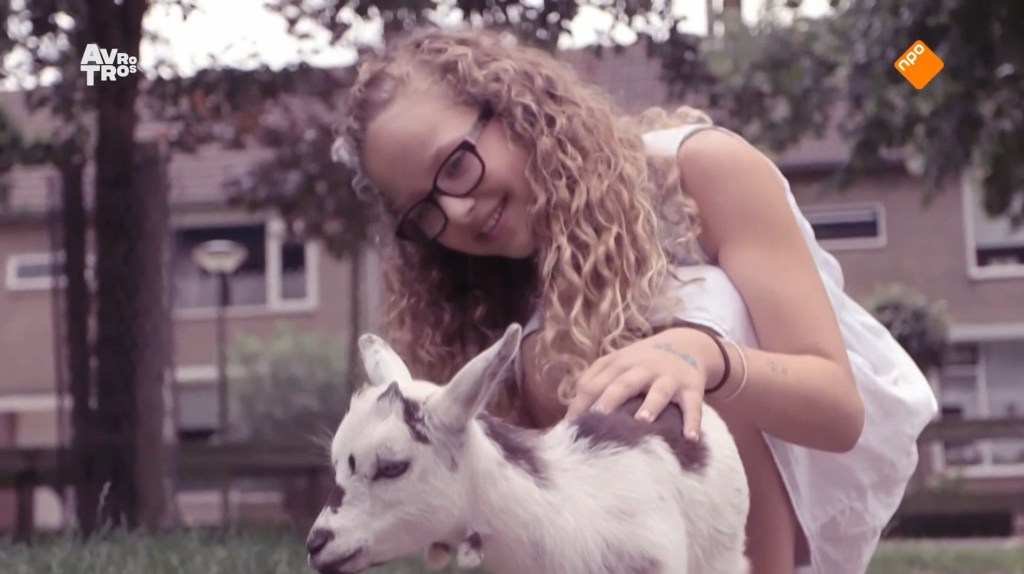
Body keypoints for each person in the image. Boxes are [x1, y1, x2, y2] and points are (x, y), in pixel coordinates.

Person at [331, 27, 938, 574]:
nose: (456, 210)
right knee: (539, 363)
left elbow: (837, 411)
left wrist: (704, 354)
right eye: (424, 212)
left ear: (514, 112)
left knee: (702, 312)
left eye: (455, 167)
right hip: (636, 545)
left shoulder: (702, 171)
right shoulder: (485, 299)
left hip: (791, 487)